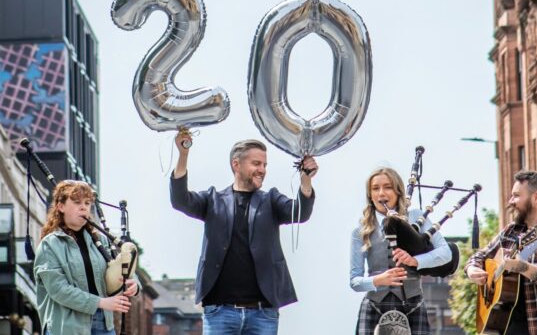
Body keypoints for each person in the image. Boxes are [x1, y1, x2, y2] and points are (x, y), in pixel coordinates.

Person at [169, 134, 318, 334]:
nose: (262, 170)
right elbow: (180, 200)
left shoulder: (271, 200)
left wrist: (306, 180)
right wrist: (183, 154)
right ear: (236, 164)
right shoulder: (213, 200)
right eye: (256, 163)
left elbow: (300, 213)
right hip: (219, 312)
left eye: (265, 165)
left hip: (262, 313)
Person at [465, 170, 537, 335]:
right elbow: (479, 256)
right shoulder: (511, 231)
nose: (510, 201)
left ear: (535, 198)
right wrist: (472, 270)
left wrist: (523, 267)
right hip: (509, 326)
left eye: (516, 196)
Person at [349, 167, 452, 335]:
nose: (381, 193)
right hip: (374, 305)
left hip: (413, 305)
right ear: (370, 195)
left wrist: (415, 261)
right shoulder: (360, 231)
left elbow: (445, 253)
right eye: (375, 188)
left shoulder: (417, 217)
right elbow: (355, 281)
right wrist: (378, 280)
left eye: (388, 187)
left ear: (398, 191)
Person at [33, 180, 139, 335]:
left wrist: (134, 284)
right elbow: (59, 290)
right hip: (67, 327)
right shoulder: (49, 245)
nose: (83, 207)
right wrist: (101, 302)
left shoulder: (100, 241)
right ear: (60, 207)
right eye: (76, 202)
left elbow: (120, 266)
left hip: (103, 324)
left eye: (87, 203)